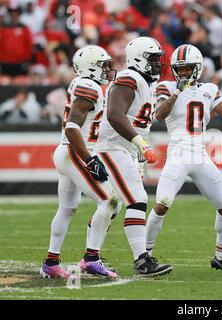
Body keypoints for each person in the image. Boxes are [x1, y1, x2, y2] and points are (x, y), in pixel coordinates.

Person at [147, 44, 222, 272]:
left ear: (197, 68)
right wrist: (178, 92)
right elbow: (159, 115)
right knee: (162, 204)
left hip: (200, 153)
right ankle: (144, 255)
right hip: (179, 151)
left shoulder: (210, 89)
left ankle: (221, 256)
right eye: (179, 69)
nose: (182, 73)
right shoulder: (167, 86)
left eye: (187, 68)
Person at [95, 37, 172, 277]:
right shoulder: (130, 77)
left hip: (125, 149)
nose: (158, 64)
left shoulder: (145, 82)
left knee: (111, 205)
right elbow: (115, 115)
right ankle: (142, 260)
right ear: (138, 58)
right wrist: (140, 142)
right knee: (137, 200)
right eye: (153, 59)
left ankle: (90, 257)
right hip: (114, 147)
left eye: (159, 59)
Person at [40, 45, 119, 279]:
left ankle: (51, 263)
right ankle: (91, 259)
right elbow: (73, 127)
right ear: (91, 67)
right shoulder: (89, 86)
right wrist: (90, 159)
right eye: (103, 64)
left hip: (68, 150)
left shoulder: (84, 83)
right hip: (75, 150)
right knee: (110, 201)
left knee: (67, 208)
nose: (107, 69)